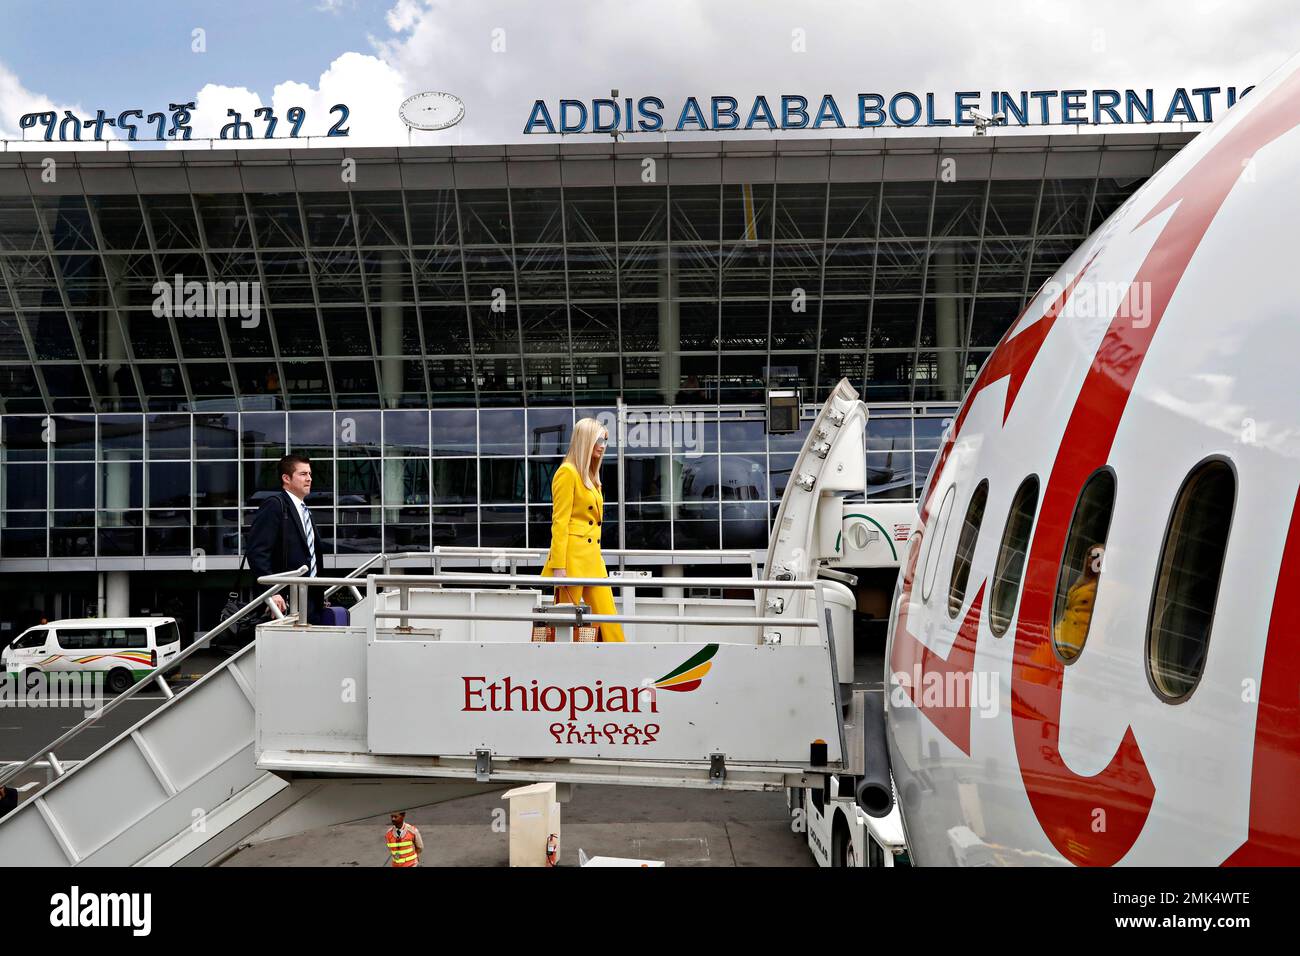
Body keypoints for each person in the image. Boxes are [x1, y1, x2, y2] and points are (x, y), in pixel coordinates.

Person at [540, 418, 624, 642]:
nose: (603, 445)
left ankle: (619, 662)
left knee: (608, 620)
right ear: (585, 440)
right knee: (566, 623)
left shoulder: (590, 476)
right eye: (598, 440)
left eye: (605, 440)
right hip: (572, 562)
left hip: (593, 561)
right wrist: (559, 566)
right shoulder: (567, 472)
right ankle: (564, 667)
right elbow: (560, 522)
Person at [247, 453, 321, 624]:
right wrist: (272, 591)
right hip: (285, 602)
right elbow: (258, 552)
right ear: (286, 478)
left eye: (309, 474)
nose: (309, 479)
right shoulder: (275, 505)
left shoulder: (305, 511)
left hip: (309, 600)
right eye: (303, 474)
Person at [1054, 543, 1103, 660]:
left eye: (1097, 556)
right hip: (1061, 638)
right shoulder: (1082, 580)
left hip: (1076, 644)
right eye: (1089, 554)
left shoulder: (1101, 586)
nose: (1091, 558)